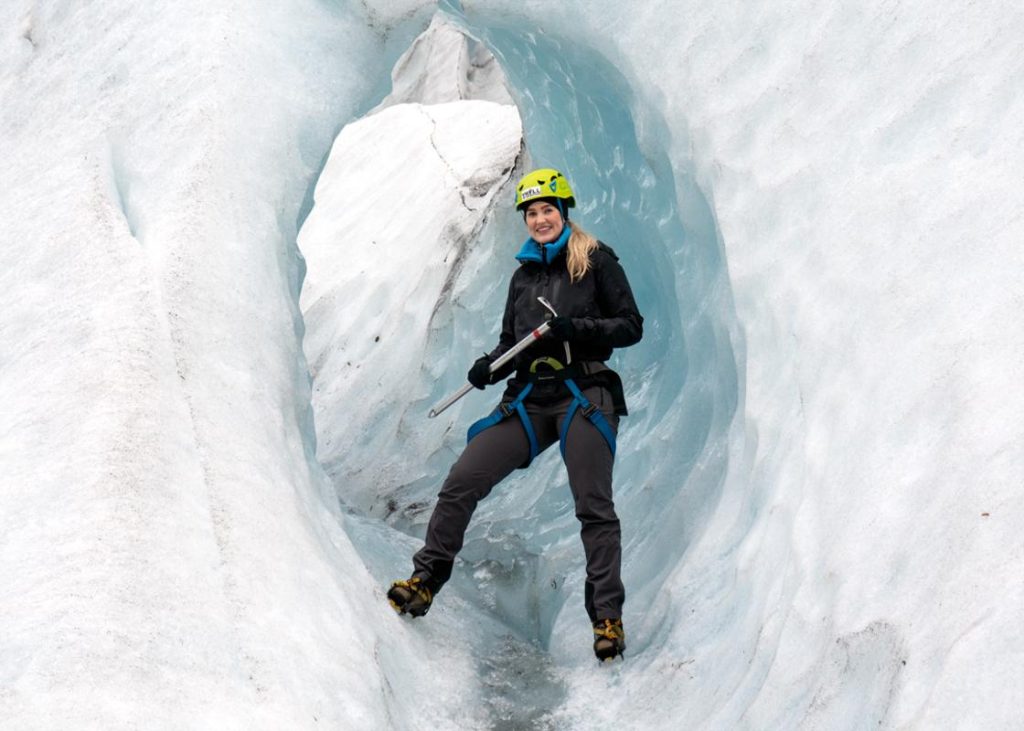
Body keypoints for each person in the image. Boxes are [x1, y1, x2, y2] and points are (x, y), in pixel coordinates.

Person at [388, 168, 643, 661]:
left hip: (584, 393)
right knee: (463, 478)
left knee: (593, 504)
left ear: (564, 212)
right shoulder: (523, 277)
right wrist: (489, 364)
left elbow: (630, 326)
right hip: (530, 397)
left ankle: (607, 618)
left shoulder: (595, 261)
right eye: (532, 213)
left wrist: (577, 328)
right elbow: (513, 342)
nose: (541, 219)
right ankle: (425, 579)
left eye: (548, 209)